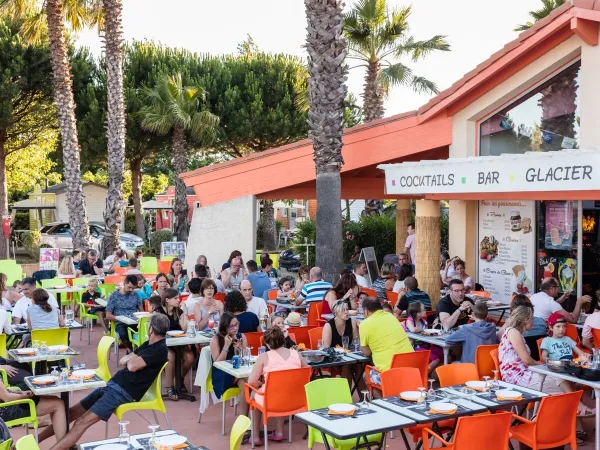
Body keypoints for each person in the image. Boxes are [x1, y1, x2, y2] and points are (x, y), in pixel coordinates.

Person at [45, 314, 170, 450]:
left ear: (150, 330)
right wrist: (132, 360)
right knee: (68, 414)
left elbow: (131, 365)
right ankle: (33, 441)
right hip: (112, 385)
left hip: (123, 392)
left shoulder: (159, 349)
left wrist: (131, 360)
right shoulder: (148, 345)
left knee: (81, 422)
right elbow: (124, 360)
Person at [247, 327, 308, 444]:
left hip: (272, 399)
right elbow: (307, 372)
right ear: (283, 339)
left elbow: (251, 381)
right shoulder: (296, 354)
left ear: (267, 343)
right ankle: (279, 432)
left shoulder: (264, 357)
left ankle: (255, 436)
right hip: (295, 399)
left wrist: (259, 385)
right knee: (281, 389)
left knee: (254, 393)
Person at [498, 305, 565, 396]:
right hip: (517, 378)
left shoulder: (515, 332)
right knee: (562, 380)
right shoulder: (513, 332)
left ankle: (578, 406)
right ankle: (578, 406)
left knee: (562, 379)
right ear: (525, 319)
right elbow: (527, 360)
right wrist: (544, 366)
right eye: (532, 319)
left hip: (522, 375)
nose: (533, 321)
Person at [540, 312, 595, 412]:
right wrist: (550, 360)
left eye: (564, 326)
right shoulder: (547, 341)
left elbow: (580, 353)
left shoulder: (567, 339)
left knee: (581, 380)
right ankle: (579, 405)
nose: (562, 329)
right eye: (558, 326)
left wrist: (589, 356)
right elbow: (543, 357)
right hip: (557, 369)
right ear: (551, 327)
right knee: (561, 378)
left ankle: (577, 409)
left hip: (570, 367)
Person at [360, 297, 413, 396]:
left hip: (390, 374)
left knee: (366, 375)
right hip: (411, 370)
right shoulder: (391, 316)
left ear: (366, 311)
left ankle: (384, 405)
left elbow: (367, 352)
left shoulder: (364, 324)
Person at [153, 288, 193, 401]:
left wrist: (185, 312)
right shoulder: (158, 312)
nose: (178, 300)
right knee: (170, 356)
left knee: (190, 358)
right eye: (175, 298)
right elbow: (152, 330)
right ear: (167, 300)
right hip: (162, 343)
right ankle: (170, 387)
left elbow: (184, 328)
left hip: (179, 342)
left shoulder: (178, 311)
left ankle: (179, 380)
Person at [1, 378, 67, 444]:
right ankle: (62, 445)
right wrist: (23, 396)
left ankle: (63, 443)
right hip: (8, 409)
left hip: (7, 406)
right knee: (58, 404)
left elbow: (4, 393)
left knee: (56, 400)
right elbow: (7, 398)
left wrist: (18, 393)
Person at [209, 312, 248, 412]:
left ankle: (245, 421)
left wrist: (240, 350)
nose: (235, 328)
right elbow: (217, 363)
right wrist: (226, 346)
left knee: (245, 384)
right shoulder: (216, 339)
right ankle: (246, 420)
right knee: (249, 382)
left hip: (238, 371)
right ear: (225, 327)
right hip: (222, 374)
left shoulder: (241, 336)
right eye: (231, 326)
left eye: (237, 324)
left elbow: (246, 358)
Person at [401, 302, 443, 371]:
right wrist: (426, 329)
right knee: (436, 359)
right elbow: (413, 329)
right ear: (418, 314)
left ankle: (435, 375)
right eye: (424, 309)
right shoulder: (410, 320)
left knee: (443, 353)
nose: (426, 310)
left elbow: (426, 334)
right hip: (415, 348)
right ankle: (422, 376)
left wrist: (433, 329)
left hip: (426, 346)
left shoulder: (423, 322)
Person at [106, 275, 143, 350]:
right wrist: (121, 319)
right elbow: (108, 315)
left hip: (135, 321)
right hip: (121, 323)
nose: (131, 290)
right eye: (129, 287)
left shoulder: (135, 295)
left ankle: (135, 351)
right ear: (124, 283)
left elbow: (141, 311)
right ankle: (132, 351)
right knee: (123, 334)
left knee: (146, 332)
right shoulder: (114, 296)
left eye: (133, 288)